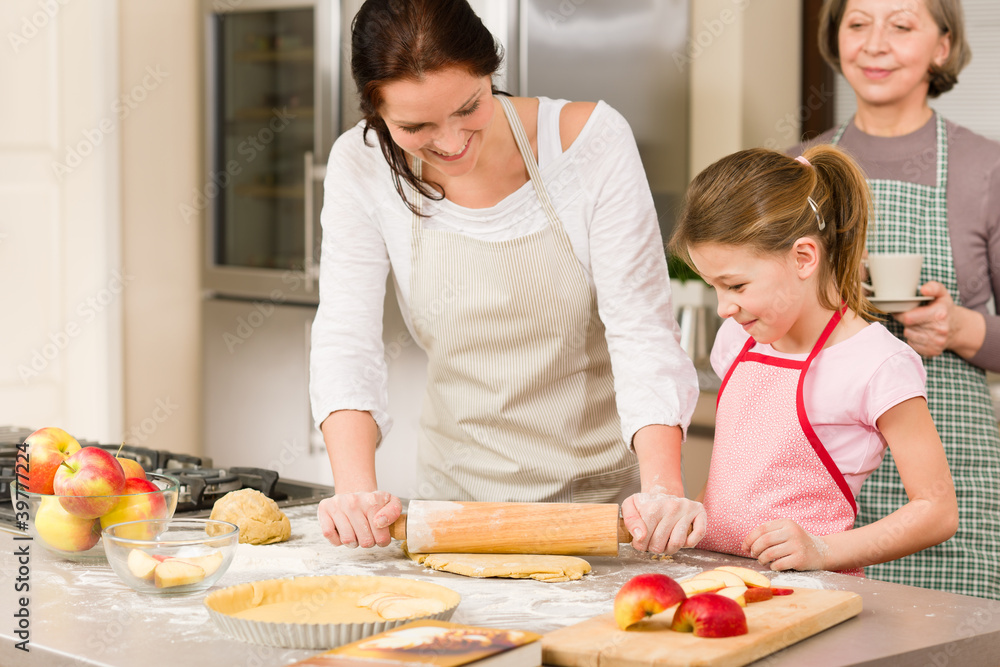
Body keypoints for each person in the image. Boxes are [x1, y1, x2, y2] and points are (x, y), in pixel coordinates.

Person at [309, 0, 702, 554]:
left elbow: (642, 330)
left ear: (491, 70)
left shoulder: (590, 143)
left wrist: (663, 490)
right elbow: (345, 338)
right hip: (451, 513)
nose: (450, 143)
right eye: (415, 126)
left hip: (600, 514)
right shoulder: (361, 164)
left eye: (470, 107)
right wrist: (353, 491)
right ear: (375, 112)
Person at [791, 0, 1000, 598]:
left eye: (901, 25)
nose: (874, 44)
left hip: (948, 466)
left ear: (942, 45)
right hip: (823, 459)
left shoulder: (985, 168)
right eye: (857, 24)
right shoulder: (799, 169)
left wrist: (960, 328)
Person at [668, 145, 958, 574]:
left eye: (736, 285)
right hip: (716, 575)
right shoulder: (736, 340)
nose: (723, 308)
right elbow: (738, 480)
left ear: (804, 257)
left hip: (808, 595)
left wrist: (822, 550)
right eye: (713, 286)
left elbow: (937, 510)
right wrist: (689, 514)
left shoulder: (876, 363)